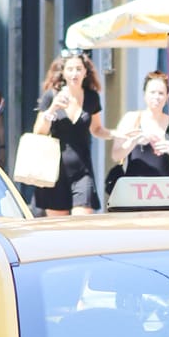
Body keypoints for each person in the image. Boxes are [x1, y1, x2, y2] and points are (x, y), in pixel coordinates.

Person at [31, 52, 113, 216]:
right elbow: (39, 131)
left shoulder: (92, 98)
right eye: (70, 69)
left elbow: (97, 129)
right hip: (54, 172)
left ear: (85, 72)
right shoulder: (51, 96)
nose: (74, 73)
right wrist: (53, 108)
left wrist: (117, 134)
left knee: (81, 225)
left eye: (78, 69)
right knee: (58, 227)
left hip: (83, 172)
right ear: (63, 72)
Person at [110, 70, 169, 179]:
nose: (156, 97)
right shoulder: (131, 119)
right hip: (135, 186)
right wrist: (134, 141)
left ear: (167, 96)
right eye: (152, 92)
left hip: (164, 186)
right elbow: (115, 156)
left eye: (161, 93)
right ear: (145, 94)